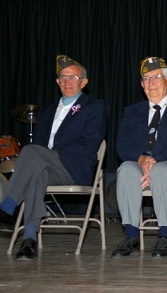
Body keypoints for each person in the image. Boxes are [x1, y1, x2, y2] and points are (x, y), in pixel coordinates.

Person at [0, 55, 107, 260]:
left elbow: (90, 143)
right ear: (57, 82)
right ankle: (29, 240)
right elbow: (40, 143)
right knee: (35, 172)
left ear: (83, 82)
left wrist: (52, 154)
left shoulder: (94, 106)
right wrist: (45, 156)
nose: (67, 82)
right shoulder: (48, 111)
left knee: (31, 151)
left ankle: (7, 206)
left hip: (74, 168)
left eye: (73, 77)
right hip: (46, 168)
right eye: (63, 78)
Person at [110, 57, 167, 259]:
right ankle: (130, 235)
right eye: (147, 79)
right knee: (126, 169)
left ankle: (166, 236)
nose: (151, 83)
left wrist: (153, 161)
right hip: (141, 166)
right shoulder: (132, 112)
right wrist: (141, 159)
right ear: (142, 85)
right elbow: (122, 144)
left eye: (157, 77)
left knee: (161, 170)